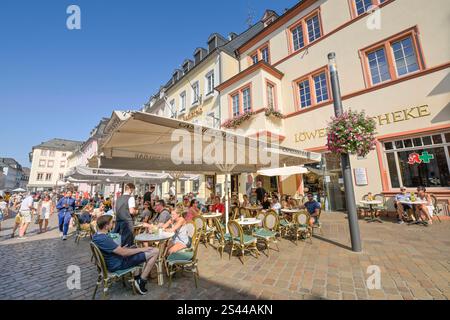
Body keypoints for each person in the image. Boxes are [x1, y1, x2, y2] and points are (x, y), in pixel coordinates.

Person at [92, 215, 159, 295]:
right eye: (111, 223)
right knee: (155, 251)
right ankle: (141, 280)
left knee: (134, 248)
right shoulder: (104, 239)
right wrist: (142, 249)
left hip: (114, 260)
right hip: (118, 264)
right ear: (106, 226)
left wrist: (122, 249)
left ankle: (136, 279)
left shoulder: (96, 236)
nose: (113, 224)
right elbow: (124, 253)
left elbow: (116, 250)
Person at [113, 183, 137, 247]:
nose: (132, 192)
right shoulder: (130, 198)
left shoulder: (118, 198)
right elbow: (131, 211)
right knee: (127, 243)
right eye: (133, 190)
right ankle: (127, 256)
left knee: (118, 242)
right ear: (131, 189)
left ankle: (119, 255)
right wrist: (136, 211)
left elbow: (115, 211)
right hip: (127, 223)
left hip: (118, 222)